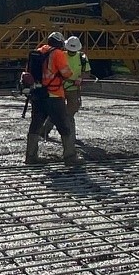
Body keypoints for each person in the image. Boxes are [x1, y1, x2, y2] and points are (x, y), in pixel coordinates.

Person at [26, 30, 80, 170]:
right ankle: (70, 157)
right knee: (64, 126)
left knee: (35, 125)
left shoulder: (37, 52)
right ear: (60, 43)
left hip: (37, 95)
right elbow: (66, 73)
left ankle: (30, 156)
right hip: (54, 95)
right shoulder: (58, 54)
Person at [63, 36, 85, 123]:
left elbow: (87, 72)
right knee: (56, 111)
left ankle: (68, 134)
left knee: (71, 112)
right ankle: (44, 131)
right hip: (60, 88)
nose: (71, 52)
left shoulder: (82, 57)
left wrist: (80, 78)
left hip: (74, 89)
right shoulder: (61, 55)